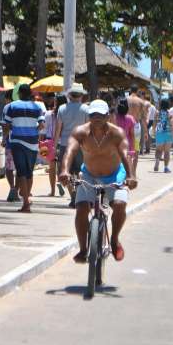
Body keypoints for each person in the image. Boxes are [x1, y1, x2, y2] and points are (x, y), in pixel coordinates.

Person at [58, 99, 137, 264]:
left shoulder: (117, 134)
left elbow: (124, 155)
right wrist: (64, 171)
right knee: (81, 208)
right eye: (93, 115)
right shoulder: (80, 132)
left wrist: (131, 176)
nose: (96, 118)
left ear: (108, 116)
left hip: (115, 175)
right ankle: (83, 249)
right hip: (89, 175)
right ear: (88, 116)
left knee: (120, 205)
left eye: (100, 115)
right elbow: (69, 152)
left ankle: (114, 240)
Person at [2, 83, 45, 213]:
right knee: (29, 172)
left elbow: (6, 125)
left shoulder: (12, 106)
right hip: (32, 142)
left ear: (19, 93)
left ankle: (26, 203)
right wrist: (33, 131)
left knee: (21, 172)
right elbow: (42, 125)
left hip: (17, 141)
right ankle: (26, 199)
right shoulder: (37, 107)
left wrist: (9, 133)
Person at [54, 84, 88, 208]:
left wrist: (54, 145)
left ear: (69, 95)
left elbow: (58, 129)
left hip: (65, 144)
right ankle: (78, 195)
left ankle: (73, 195)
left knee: (65, 172)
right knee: (80, 171)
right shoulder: (85, 109)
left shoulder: (62, 108)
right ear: (81, 95)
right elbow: (88, 128)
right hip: (80, 144)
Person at [111, 98, 137, 177]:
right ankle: (127, 180)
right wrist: (133, 147)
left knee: (116, 166)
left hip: (115, 145)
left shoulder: (114, 117)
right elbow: (132, 135)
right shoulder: (130, 119)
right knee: (127, 166)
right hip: (127, 146)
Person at [40, 95, 59, 196]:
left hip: (49, 141)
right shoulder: (64, 114)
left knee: (52, 167)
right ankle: (61, 182)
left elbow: (44, 130)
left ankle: (52, 191)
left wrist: (40, 142)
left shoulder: (48, 114)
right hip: (63, 142)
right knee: (62, 167)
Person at [127, 84, 149, 154]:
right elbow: (143, 118)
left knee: (126, 145)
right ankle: (134, 162)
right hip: (136, 124)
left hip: (126, 124)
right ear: (137, 91)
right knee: (136, 147)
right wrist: (146, 131)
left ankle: (127, 161)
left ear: (130, 90)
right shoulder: (141, 102)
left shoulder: (126, 99)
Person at [153, 99, 173, 173]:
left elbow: (154, 123)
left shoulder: (157, 113)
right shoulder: (170, 114)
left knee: (158, 150)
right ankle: (166, 168)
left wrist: (153, 131)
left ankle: (157, 161)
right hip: (168, 133)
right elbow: (171, 124)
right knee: (167, 151)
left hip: (159, 133)